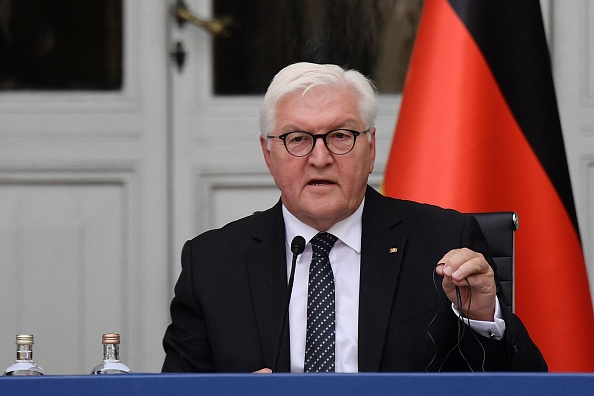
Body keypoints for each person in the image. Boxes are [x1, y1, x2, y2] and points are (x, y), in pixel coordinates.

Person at [162, 62, 547, 373]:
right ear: (268, 153)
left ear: (371, 146)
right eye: (297, 139)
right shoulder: (212, 263)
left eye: (341, 135)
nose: (320, 158)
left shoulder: (443, 242)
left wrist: (482, 318)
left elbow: (524, 385)